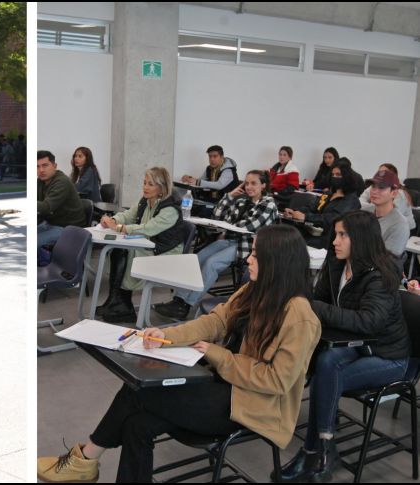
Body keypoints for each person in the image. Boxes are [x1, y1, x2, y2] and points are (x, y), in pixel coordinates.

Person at [37, 225, 321, 483]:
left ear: (277, 261)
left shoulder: (299, 316)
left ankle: (84, 460)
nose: (248, 259)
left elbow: (276, 382)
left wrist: (219, 355)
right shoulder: (255, 289)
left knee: (138, 393)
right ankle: (84, 462)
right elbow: (215, 321)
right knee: (138, 425)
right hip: (225, 386)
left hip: (255, 406)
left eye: (257, 254)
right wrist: (167, 336)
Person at [281, 211, 410, 482]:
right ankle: (322, 449)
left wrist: (314, 307)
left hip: (388, 356)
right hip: (358, 345)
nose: (335, 241)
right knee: (325, 361)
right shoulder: (338, 264)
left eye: (343, 235)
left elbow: (368, 321)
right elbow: (318, 300)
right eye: (336, 234)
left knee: (328, 371)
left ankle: (315, 450)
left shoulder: (380, 274)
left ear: (361, 239)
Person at [154, 170, 278, 320]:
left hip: (248, 246)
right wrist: (229, 196)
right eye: (246, 183)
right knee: (196, 259)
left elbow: (249, 226)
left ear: (263, 185)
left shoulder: (269, 204)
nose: (249, 187)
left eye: (254, 183)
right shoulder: (242, 201)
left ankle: (186, 305)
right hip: (231, 240)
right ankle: (178, 300)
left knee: (212, 263)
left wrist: (228, 224)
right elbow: (218, 215)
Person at [95, 167, 184, 323]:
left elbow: (149, 228)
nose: (145, 187)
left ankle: (122, 304)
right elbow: (128, 215)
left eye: (150, 184)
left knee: (127, 252)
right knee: (118, 249)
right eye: (144, 183)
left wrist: (119, 228)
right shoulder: (146, 200)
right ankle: (117, 300)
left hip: (165, 252)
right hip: (149, 243)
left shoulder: (170, 209)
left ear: (161, 187)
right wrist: (114, 220)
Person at [286, 161, 361, 249]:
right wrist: (295, 212)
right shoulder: (329, 194)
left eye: (338, 175)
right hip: (313, 230)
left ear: (347, 177)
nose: (334, 177)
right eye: (333, 175)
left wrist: (305, 217)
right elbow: (313, 207)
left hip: (330, 238)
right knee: (287, 232)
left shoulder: (351, 200)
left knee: (293, 241)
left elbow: (332, 219)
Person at [360, 169, 410, 266]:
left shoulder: (400, 225)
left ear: (394, 193)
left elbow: (387, 264)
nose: (374, 191)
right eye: (373, 186)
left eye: (381, 187)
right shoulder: (365, 212)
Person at [37, 150, 87, 247]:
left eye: (45, 165)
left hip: (69, 228)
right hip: (51, 223)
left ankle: (45, 256)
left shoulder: (62, 182)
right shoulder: (40, 181)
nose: (41, 170)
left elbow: (46, 207)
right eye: (37, 166)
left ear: (54, 166)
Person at [360, 163, 415, 233]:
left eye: (381, 187)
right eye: (379, 172)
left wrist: (372, 207)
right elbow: (360, 203)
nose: (375, 191)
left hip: (406, 230)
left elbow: (389, 215)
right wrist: (373, 207)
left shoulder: (401, 195)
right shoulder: (373, 188)